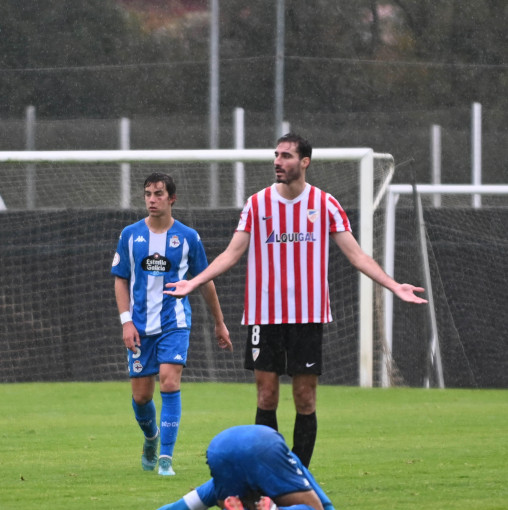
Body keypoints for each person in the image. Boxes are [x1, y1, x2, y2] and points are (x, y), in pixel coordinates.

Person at [165, 133, 427, 468]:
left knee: (304, 397)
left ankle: (300, 475)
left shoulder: (324, 204)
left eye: (286, 156)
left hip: (307, 316)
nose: (278, 161)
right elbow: (232, 254)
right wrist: (194, 282)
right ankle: (270, 469)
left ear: (305, 162)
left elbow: (357, 255)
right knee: (266, 395)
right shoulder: (257, 204)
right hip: (264, 315)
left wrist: (393, 285)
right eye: (276, 155)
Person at [112, 172, 233, 477]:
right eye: (147, 194)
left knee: (169, 381)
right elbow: (120, 280)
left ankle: (166, 458)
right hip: (139, 326)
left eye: (158, 194)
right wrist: (126, 322)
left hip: (174, 322)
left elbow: (205, 281)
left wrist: (219, 323)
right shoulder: (130, 235)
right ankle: (151, 439)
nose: (152, 200)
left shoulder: (188, 237)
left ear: (172, 198)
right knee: (141, 397)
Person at [133, 424, 340, 510]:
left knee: (230, 506)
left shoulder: (212, 488)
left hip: (220, 447)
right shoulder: (290, 461)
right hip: (266, 445)